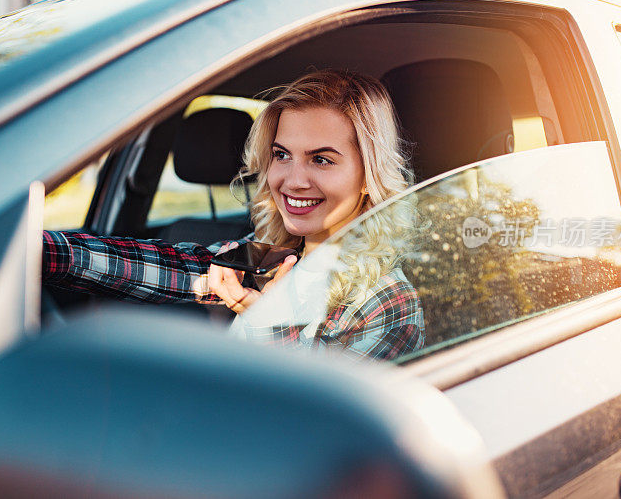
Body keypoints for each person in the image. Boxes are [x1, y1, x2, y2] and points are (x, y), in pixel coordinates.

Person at [43, 69, 425, 361]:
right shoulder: (275, 256)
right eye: (281, 155)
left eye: (321, 160)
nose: (292, 181)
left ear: (367, 177)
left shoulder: (387, 303)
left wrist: (268, 321)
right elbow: (174, 269)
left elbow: (306, 430)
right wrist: (44, 251)